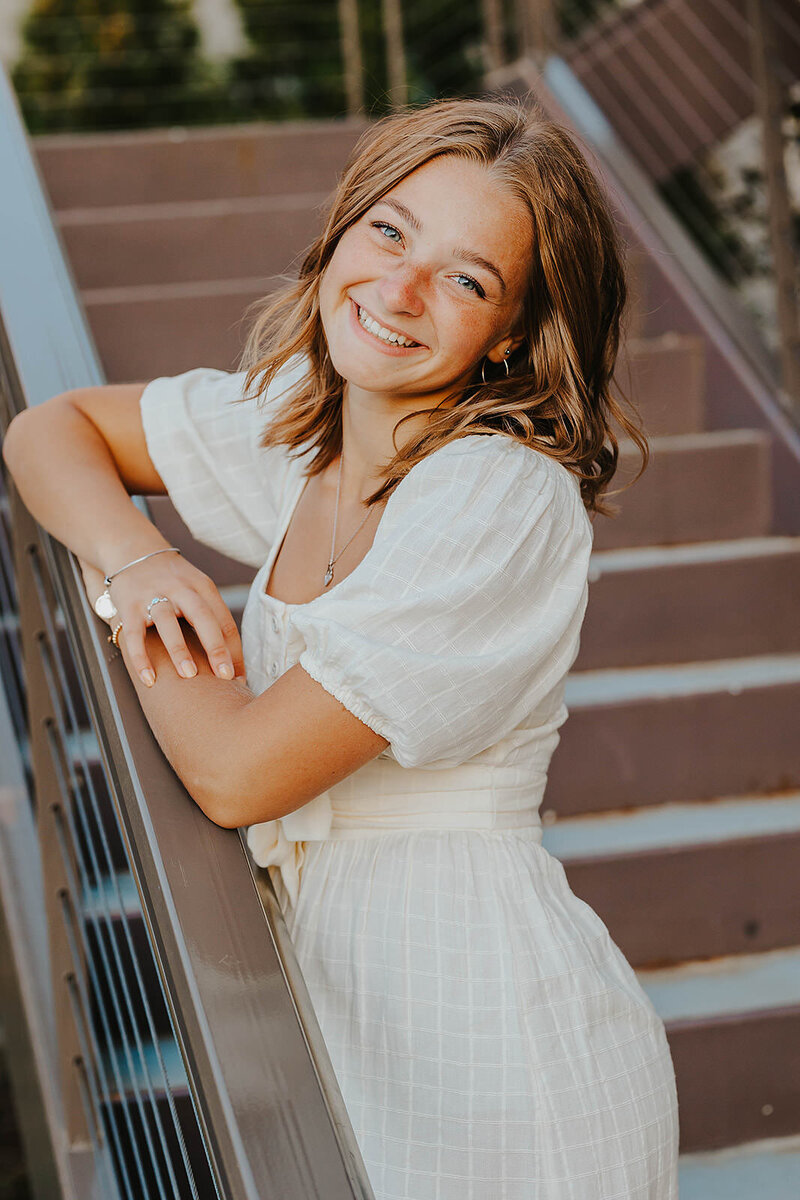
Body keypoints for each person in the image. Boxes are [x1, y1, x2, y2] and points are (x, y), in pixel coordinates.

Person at [4, 97, 678, 1198]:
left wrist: (124, 608)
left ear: (509, 332)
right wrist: (135, 558)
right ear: (345, 224)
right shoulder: (304, 430)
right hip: (350, 1019)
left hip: (495, 1056)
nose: (400, 291)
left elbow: (234, 774)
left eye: (465, 279)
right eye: (390, 231)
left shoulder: (495, 496)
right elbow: (48, 430)